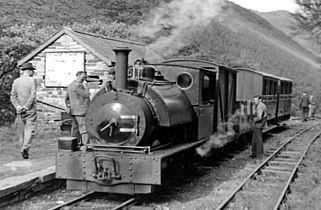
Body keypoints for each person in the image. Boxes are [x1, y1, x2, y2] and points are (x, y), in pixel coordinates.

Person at [10, 62, 37, 159]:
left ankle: (24, 149)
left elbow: (13, 96)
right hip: (30, 109)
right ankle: (25, 148)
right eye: (32, 71)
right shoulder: (33, 80)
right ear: (29, 71)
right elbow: (33, 95)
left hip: (19, 110)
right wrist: (27, 106)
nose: (33, 72)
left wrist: (18, 106)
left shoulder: (16, 81)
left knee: (21, 131)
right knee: (30, 129)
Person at [65, 71, 90, 145]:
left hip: (73, 111)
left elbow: (66, 99)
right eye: (83, 77)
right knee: (84, 129)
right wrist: (86, 87)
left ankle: (73, 145)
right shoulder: (78, 85)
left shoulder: (70, 85)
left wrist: (69, 106)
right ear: (78, 76)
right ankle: (85, 146)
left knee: (75, 129)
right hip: (80, 111)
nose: (84, 79)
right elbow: (86, 95)